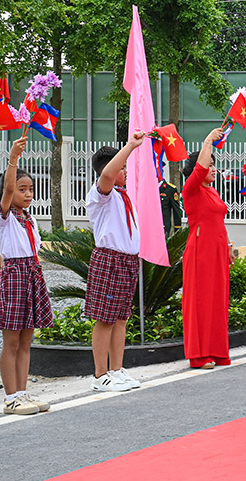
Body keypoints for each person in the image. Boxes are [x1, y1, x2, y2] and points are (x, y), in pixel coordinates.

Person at [0, 137, 51, 415]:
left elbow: (35, 250)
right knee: (12, 341)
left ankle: (24, 392)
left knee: (27, 340)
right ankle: (10, 397)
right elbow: (5, 188)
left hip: (31, 273)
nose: (27, 194)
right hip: (14, 275)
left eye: (30, 189)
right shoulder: (2, 216)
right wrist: (13, 158)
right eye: (21, 189)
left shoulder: (30, 218)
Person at [86, 134, 146, 392]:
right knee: (105, 318)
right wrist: (130, 146)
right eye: (122, 166)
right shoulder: (102, 193)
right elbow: (108, 175)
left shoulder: (122, 195)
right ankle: (100, 375)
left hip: (127, 260)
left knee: (121, 317)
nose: (124, 170)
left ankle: (117, 369)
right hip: (110, 259)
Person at [182, 129, 235, 369]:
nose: (213, 168)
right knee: (201, 301)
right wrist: (207, 141)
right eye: (210, 164)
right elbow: (200, 169)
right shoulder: (191, 190)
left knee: (217, 301)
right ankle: (199, 355)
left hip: (216, 251)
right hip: (200, 250)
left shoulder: (212, 191)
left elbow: (218, 223)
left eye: (215, 165)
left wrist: (228, 249)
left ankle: (217, 351)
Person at [159, 170, 182, 236]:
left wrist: (177, 229)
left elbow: (176, 211)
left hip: (164, 227)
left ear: (162, 171)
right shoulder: (148, 188)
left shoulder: (170, 189)